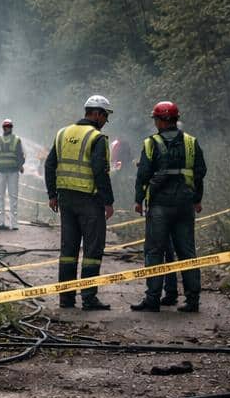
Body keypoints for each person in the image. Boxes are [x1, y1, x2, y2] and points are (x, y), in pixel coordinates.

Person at [131, 102, 206, 313]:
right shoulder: (191, 142)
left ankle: (153, 299)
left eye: (155, 119)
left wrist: (138, 200)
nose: (154, 123)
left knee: (154, 251)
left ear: (162, 121)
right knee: (187, 252)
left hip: (160, 207)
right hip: (184, 205)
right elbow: (200, 172)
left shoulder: (151, 143)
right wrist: (197, 198)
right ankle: (192, 301)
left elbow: (143, 174)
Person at [45, 95, 116, 310]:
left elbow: (49, 165)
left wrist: (52, 195)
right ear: (96, 113)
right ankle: (89, 298)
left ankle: (66, 299)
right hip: (89, 201)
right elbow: (99, 171)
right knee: (93, 250)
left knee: (68, 250)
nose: (105, 121)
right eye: (105, 116)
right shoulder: (97, 138)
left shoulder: (62, 133)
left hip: (66, 199)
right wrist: (108, 201)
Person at [0, 118, 25, 230]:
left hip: (11, 171)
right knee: (2, 197)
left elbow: (20, 155)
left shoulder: (13, 140)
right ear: (3, 127)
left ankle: (13, 224)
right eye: (6, 126)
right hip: (4, 171)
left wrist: (20, 165)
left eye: (9, 126)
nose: (7, 128)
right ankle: (1, 223)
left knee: (11, 197)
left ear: (11, 127)